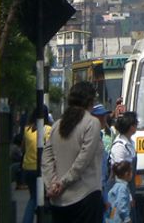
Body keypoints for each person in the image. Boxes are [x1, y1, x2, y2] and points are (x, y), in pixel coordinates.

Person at [42, 81, 104, 223]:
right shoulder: (92, 123)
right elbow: (83, 160)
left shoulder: (57, 125)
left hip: (59, 200)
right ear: (90, 101)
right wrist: (63, 183)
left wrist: (52, 184)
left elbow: (47, 157)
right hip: (86, 196)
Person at [20, 105, 53, 223]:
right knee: (38, 198)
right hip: (41, 168)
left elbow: (23, 148)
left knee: (33, 197)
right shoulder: (48, 129)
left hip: (27, 167)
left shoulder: (27, 129)